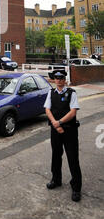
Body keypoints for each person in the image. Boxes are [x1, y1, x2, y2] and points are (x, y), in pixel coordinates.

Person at [44, 70, 82, 202]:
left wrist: (59, 122)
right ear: (54, 80)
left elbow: (73, 112)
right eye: (56, 78)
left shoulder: (71, 93)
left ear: (65, 79)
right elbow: (47, 109)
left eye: (61, 78)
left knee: (73, 158)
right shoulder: (51, 93)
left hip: (70, 131)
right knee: (56, 155)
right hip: (55, 130)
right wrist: (55, 124)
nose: (59, 80)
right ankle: (56, 179)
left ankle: (76, 187)